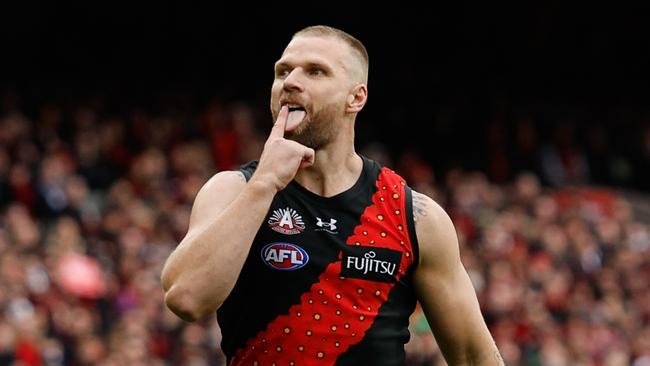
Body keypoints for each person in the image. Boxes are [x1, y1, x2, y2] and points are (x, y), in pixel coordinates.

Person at [161, 25, 503, 365]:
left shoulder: (412, 215)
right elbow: (186, 299)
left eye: (315, 71)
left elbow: (474, 356)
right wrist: (265, 184)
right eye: (283, 71)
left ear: (356, 97)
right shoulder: (234, 190)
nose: (291, 81)